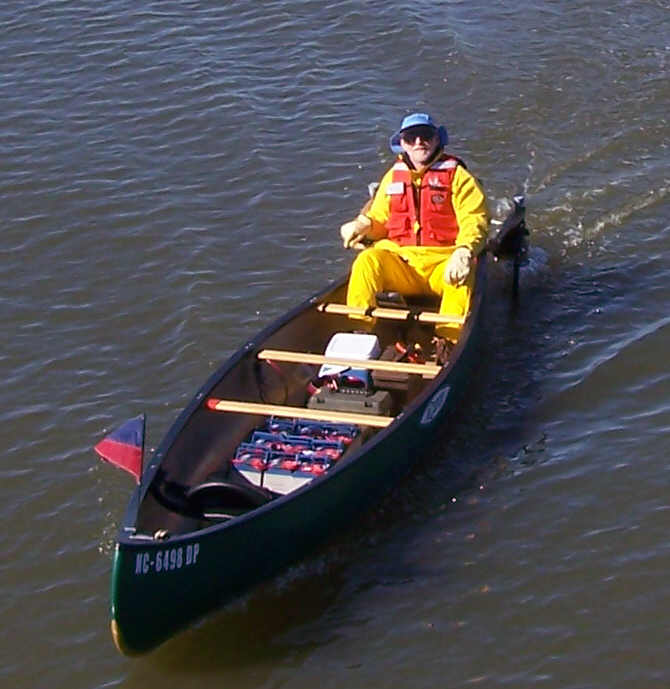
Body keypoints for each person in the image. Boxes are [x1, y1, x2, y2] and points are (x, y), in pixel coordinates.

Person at [339, 112, 489, 361]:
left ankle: (447, 345)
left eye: (425, 136)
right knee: (367, 261)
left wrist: (464, 251)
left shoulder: (459, 177)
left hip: (443, 264)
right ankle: (360, 334)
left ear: (437, 139)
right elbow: (381, 219)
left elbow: (474, 219)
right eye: (411, 137)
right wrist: (361, 225)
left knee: (460, 279)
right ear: (403, 143)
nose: (419, 142)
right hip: (403, 264)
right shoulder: (393, 176)